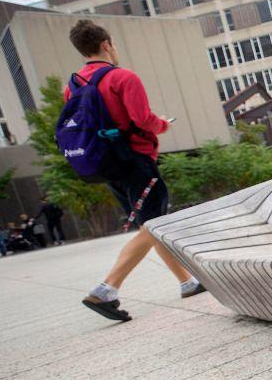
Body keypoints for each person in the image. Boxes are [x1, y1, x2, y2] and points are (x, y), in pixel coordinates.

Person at [64, 20, 206, 322]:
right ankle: (106, 289)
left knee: (149, 225)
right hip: (136, 160)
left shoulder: (73, 86)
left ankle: (187, 281)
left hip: (106, 164)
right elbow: (142, 119)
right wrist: (163, 125)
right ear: (106, 44)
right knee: (153, 225)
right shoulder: (122, 77)